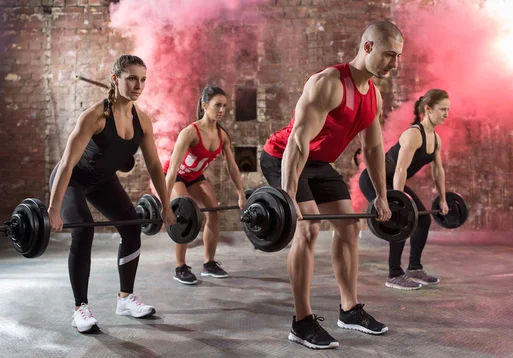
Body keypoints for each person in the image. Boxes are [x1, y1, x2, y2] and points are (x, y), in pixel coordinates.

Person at [260, 21, 402, 349]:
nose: (394, 64)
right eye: (389, 55)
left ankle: (349, 310)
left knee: (349, 228)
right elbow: (297, 141)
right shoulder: (329, 83)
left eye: (398, 57)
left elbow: (374, 148)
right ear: (367, 47)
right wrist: (288, 195)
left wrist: (382, 195)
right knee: (308, 230)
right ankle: (301, 322)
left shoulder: (373, 96)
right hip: (283, 156)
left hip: (319, 163)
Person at [48, 54, 177, 333]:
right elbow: (68, 163)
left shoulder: (142, 121)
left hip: (102, 180)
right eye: (131, 78)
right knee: (84, 229)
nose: (138, 85)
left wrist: (166, 206)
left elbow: (154, 165)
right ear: (115, 79)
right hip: (72, 179)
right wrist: (53, 209)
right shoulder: (94, 116)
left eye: (142, 79)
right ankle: (80, 308)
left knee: (132, 227)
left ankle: (125, 299)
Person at [359, 89, 450, 290]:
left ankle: (414, 269)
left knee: (423, 219)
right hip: (375, 180)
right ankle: (394, 274)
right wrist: (398, 203)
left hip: (394, 181)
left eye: (448, 110)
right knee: (400, 221)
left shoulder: (435, 139)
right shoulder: (413, 135)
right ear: (428, 109)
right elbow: (400, 168)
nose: (446, 114)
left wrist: (443, 199)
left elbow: (438, 171)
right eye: (443, 109)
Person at [164, 85, 246, 285]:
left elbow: (232, 167)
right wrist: (165, 205)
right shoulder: (190, 132)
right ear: (204, 105)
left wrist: (241, 193)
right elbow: (173, 168)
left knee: (214, 213)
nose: (221, 110)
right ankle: (180, 267)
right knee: (185, 214)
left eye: (224, 106)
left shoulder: (222, 135)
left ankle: (208, 264)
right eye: (217, 105)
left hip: (194, 176)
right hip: (175, 176)